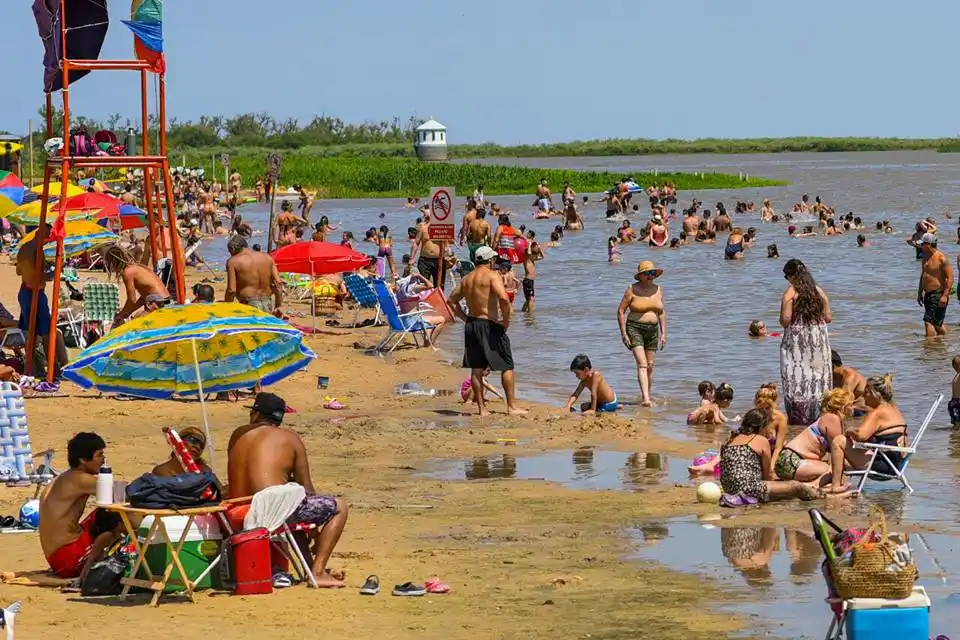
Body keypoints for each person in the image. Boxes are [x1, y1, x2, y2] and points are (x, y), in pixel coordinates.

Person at [227, 393, 349, 588]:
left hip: (237, 512)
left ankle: (310, 568)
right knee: (339, 506)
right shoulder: (290, 439)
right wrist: (315, 532)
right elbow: (307, 489)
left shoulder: (238, 435)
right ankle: (317, 573)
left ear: (256, 414)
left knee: (289, 503)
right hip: (270, 512)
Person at [446, 246, 526, 416]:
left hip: (472, 324)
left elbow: (451, 301)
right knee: (507, 365)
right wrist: (506, 321)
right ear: (490, 260)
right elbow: (504, 298)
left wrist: (465, 318)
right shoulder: (492, 276)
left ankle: (482, 410)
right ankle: (511, 407)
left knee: (476, 368)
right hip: (489, 324)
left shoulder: (467, 279)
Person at [39, 432, 122, 581]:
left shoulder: (62, 478)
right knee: (118, 515)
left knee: (104, 514)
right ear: (83, 459)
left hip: (57, 557)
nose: (103, 460)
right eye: (99, 455)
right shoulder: (81, 479)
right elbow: (122, 496)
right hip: (67, 559)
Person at [719, 409, 823, 503]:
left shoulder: (729, 440)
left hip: (729, 489)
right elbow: (768, 476)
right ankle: (821, 497)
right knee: (796, 486)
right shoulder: (761, 440)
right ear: (762, 426)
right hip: (749, 489)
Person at [827, 375, 908, 495]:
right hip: (896, 465)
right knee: (841, 458)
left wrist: (849, 430)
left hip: (883, 467)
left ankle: (835, 486)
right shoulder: (894, 409)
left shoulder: (878, 413)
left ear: (874, 394)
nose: (863, 397)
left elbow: (861, 435)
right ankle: (838, 482)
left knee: (839, 441)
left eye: (866, 392)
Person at [780, 259, 832, 425]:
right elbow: (828, 318)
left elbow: (785, 321)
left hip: (797, 342)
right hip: (818, 340)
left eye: (786, 276)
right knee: (818, 377)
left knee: (796, 377)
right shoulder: (818, 291)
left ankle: (798, 420)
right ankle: (819, 417)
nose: (787, 280)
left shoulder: (790, 294)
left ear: (792, 276)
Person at [15, 233, 68, 372]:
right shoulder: (37, 250)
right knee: (46, 332)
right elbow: (38, 276)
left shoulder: (24, 248)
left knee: (29, 330)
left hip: (25, 291)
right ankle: (52, 367)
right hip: (35, 293)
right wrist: (55, 271)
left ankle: (32, 367)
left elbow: (19, 271)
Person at [617, 261, 666, 407]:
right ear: (640, 275)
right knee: (642, 364)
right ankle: (646, 398)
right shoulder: (632, 289)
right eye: (647, 273)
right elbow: (621, 311)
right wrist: (624, 334)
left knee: (650, 365)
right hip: (635, 328)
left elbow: (661, 312)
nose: (650, 276)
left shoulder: (658, 289)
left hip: (653, 330)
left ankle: (647, 394)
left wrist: (664, 334)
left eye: (652, 273)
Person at [775, 388, 851, 482]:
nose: (853, 408)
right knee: (832, 472)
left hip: (785, 461)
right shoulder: (832, 418)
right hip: (792, 461)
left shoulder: (829, 418)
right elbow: (836, 452)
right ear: (843, 406)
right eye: (850, 404)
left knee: (833, 472)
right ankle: (812, 486)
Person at [103, 244, 170, 324]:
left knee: (136, 322)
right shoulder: (139, 267)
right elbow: (143, 298)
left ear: (114, 261)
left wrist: (121, 314)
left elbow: (132, 300)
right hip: (166, 300)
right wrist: (127, 313)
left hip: (157, 302)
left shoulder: (128, 272)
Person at [225, 235, 283, 314]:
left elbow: (231, 290)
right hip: (267, 303)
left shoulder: (233, 261)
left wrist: (227, 308)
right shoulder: (268, 257)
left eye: (229, 251)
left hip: (248, 304)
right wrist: (277, 306)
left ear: (233, 249)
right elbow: (278, 283)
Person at [918, 232, 953, 337]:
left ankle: (929, 344)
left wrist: (945, 295)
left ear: (929, 244)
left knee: (928, 321)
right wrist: (919, 293)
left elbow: (950, 277)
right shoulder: (925, 257)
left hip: (938, 294)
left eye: (922, 244)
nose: (921, 246)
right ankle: (944, 339)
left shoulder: (941, 258)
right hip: (928, 294)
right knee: (937, 324)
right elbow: (923, 276)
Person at [411, 211, 442, 288]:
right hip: (424, 260)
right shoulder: (422, 227)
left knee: (439, 285)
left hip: (439, 260)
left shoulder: (442, 227)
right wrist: (412, 258)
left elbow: (451, 241)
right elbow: (416, 243)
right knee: (424, 285)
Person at [831, 350, 867, 415]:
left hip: (861, 411)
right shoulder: (834, 376)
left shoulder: (849, 376)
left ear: (832, 366)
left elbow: (843, 401)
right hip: (850, 410)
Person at [521, 230, 542, 313]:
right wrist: (529, 244)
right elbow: (529, 253)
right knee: (531, 299)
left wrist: (539, 249)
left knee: (528, 299)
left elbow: (542, 257)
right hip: (528, 281)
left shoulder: (531, 259)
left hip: (530, 281)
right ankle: (530, 315)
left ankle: (524, 314)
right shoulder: (526, 259)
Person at [951, 354, 960, 428]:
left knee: (957, 424)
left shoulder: (957, 376)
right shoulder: (957, 376)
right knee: (956, 424)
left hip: (955, 402)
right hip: (956, 402)